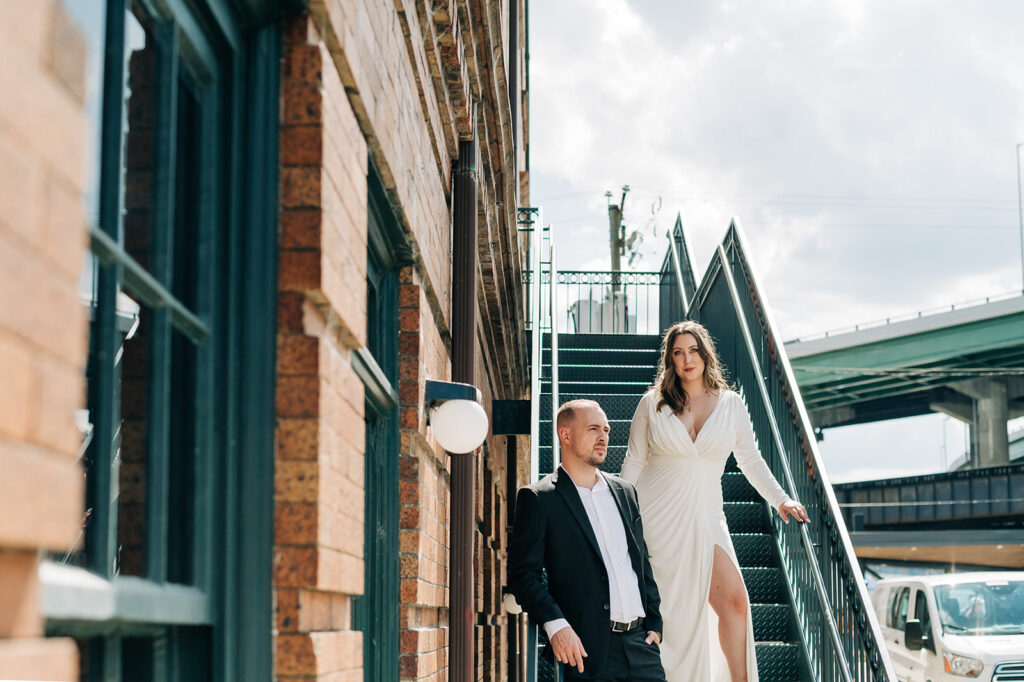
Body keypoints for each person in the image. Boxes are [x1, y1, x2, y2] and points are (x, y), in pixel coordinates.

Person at [620, 321, 809, 682]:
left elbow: (750, 459)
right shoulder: (652, 403)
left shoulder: (731, 404)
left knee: (735, 602)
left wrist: (780, 499)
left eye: (693, 351)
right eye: (678, 353)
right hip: (658, 515)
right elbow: (634, 461)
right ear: (670, 361)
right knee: (674, 613)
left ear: (705, 355)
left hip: (707, 515)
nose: (686, 359)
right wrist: (619, 513)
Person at [508, 399, 668, 681]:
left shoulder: (625, 492)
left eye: (606, 429)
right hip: (587, 651)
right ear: (565, 435)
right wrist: (556, 626)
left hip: (641, 646)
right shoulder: (539, 498)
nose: (604, 436)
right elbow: (524, 575)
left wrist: (654, 623)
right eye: (593, 428)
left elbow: (640, 563)